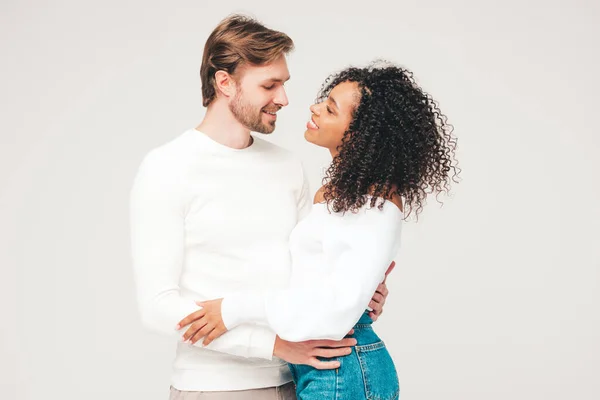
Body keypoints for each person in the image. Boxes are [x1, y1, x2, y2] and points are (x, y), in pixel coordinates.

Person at [129, 14, 392, 400]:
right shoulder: (168, 167)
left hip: (302, 380)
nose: (284, 99)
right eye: (270, 85)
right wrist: (273, 346)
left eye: (284, 84)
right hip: (217, 388)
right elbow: (157, 306)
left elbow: (311, 268)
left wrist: (361, 288)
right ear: (224, 83)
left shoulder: (287, 165)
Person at [176, 62, 460, 399]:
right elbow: (319, 282)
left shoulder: (377, 202)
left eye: (330, 109)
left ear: (361, 133)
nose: (313, 108)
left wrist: (233, 309)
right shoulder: (332, 195)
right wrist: (363, 292)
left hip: (342, 366)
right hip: (318, 363)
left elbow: (332, 309)